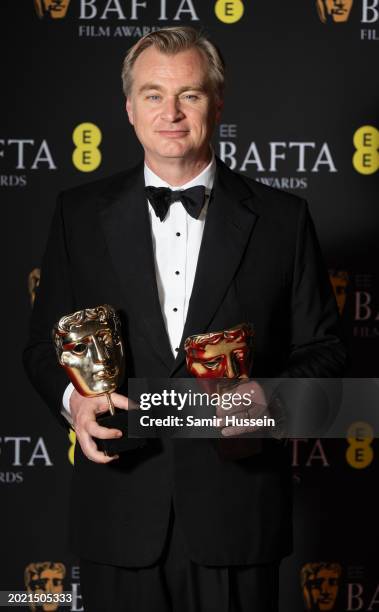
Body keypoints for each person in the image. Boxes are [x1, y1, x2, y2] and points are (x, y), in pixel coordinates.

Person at [23, 26, 346, 612]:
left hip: (237, 516)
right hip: (118, 515)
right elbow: (41, 348)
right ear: (128, 107)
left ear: (217, 103)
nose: (170, 113)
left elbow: (326, 349)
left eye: (190, 95)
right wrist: (75, 406)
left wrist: (267, 397)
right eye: (153, 95)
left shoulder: (283, 219)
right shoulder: (76, 215)